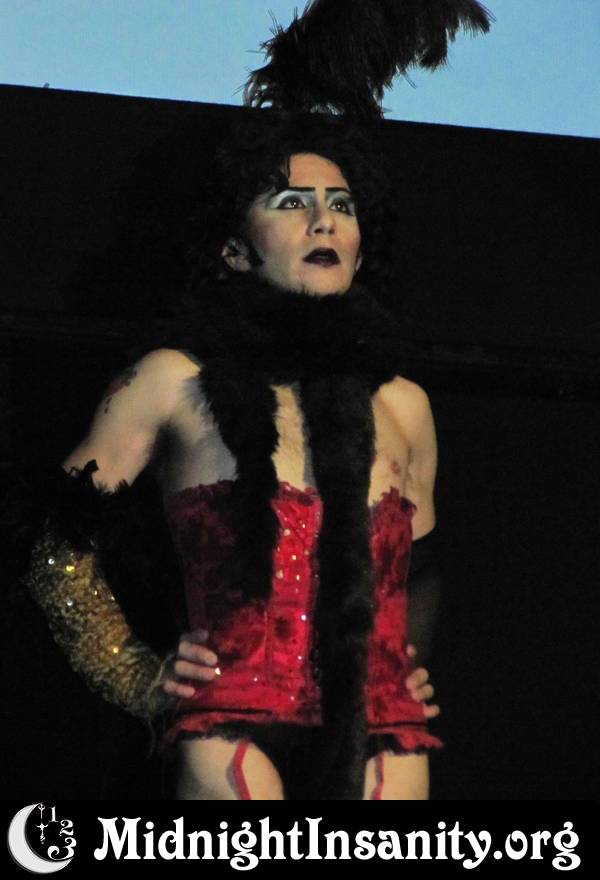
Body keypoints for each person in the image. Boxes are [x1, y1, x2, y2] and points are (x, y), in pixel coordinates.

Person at [22, 0, 492, 800]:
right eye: (291, 202)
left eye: (341, 205)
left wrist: (405, 660)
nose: (324, 221)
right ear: (235, 251)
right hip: (230, 720)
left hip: (378, 728)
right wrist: (133, 673)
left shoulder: (403, 404)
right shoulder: (172, 379)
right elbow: (56, 543)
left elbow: (424, 567)